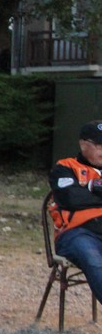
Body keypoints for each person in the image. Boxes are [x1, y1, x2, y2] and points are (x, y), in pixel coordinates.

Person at [47, 120, 102, 302]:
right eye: (99, 145)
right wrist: (93, 189)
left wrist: (89, 188)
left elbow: (79, 196)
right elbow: (71, 199)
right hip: (77, 233)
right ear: (83, 144)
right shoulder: (65, 167)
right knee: (93, 260)